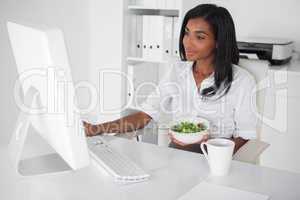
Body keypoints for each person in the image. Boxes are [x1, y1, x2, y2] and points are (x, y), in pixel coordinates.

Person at [83, 4, 257, 154]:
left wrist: (207, 147)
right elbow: (146, 114)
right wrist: (96, 129)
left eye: (200, 37)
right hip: (176, 154)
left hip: (215, 161)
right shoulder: (177, 71)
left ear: (219, 42)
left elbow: (246, 137)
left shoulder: (242, 81)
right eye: (186, 33)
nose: (187, 43)